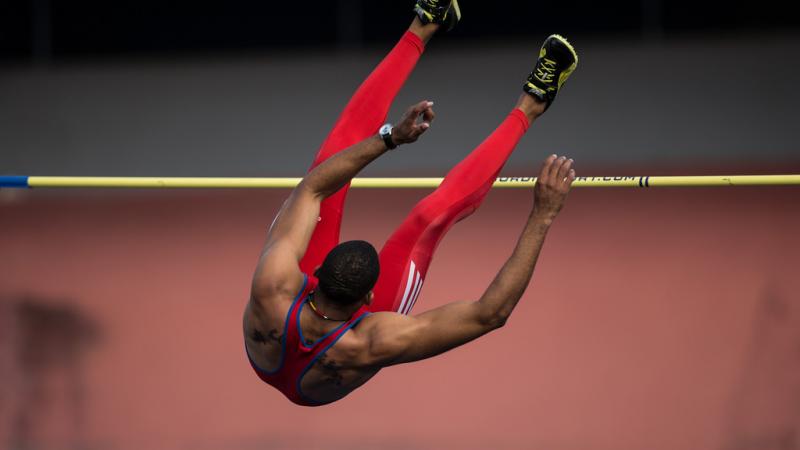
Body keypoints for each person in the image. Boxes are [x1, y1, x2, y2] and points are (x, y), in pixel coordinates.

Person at [243, 0, 579, 406]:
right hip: (340, 349)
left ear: (312, 269)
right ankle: (532, 104)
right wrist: (542, 216)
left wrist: (389, 138)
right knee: (428, 219)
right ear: (370, 300)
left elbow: (313, 186)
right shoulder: (375, 338)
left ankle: (424, 25)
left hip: (283, 336)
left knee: (324, 175)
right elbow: (489, 313)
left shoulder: (273, 281)